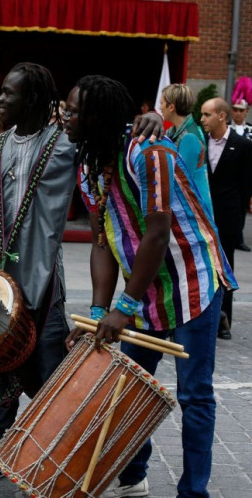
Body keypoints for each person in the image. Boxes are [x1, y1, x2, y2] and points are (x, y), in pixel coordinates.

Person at [64, 75, 237, 498]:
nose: (64, 116)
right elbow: (102, 241)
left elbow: (158, 234)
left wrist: (124, 305)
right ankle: (133, 476)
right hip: (142, 291)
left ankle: (193, 493)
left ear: (98, 116)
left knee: (194, 394)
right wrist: (100, 313)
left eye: (72, 110)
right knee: (128, 385)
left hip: (191, 281)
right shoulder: (88, 163)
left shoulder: (148, 151)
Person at [0, 63, 77, 484]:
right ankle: (2, 448)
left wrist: (152, 124)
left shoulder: (66, 145)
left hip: (44, 284)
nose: (0, 100)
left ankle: (46, 454)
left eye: (9, 93)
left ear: (35, 100)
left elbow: (111, 147)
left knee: (50, 368)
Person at [200, 97, 252, 340]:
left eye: (207, 115)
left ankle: (223, 318)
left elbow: (245, 186)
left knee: (225, 267)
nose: (202, 120)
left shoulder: (241, 145)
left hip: (228, 217)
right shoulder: (200, 142)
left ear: (221, 116)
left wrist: (238, 221)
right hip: (204, 217)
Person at [159, 84, 212, 213]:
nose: (160, 107)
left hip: (195, 209)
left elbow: (180, 180)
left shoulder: (189, 137)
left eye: (162, 103)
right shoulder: (173, 131)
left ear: (171, 107)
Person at [229, 98, 252, 252]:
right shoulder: (225, 128)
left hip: (247, 172)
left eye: (241, 110)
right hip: (229, 171)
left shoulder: (250, 130)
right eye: (235, 110)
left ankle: (238, 237)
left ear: (246, 112)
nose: (238, 113)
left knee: (243, 204)